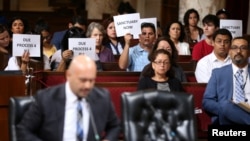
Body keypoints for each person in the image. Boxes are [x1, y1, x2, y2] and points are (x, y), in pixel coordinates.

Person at [16, 55, 121, 140]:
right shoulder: (46, 98)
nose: (88, 86)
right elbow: (23, 130)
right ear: (68, 75)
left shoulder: (102, 98)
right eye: (83, 80)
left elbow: (115, 126)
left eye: (91, 80)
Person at [202, 37, 250, 125]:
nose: (238, 51)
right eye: (234, 48)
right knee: (226, 105)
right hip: (227, 120)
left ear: (249, 52)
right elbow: (207, 101)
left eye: (243, 48)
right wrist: (224, 110)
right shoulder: (218, 73)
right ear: (230, 52)